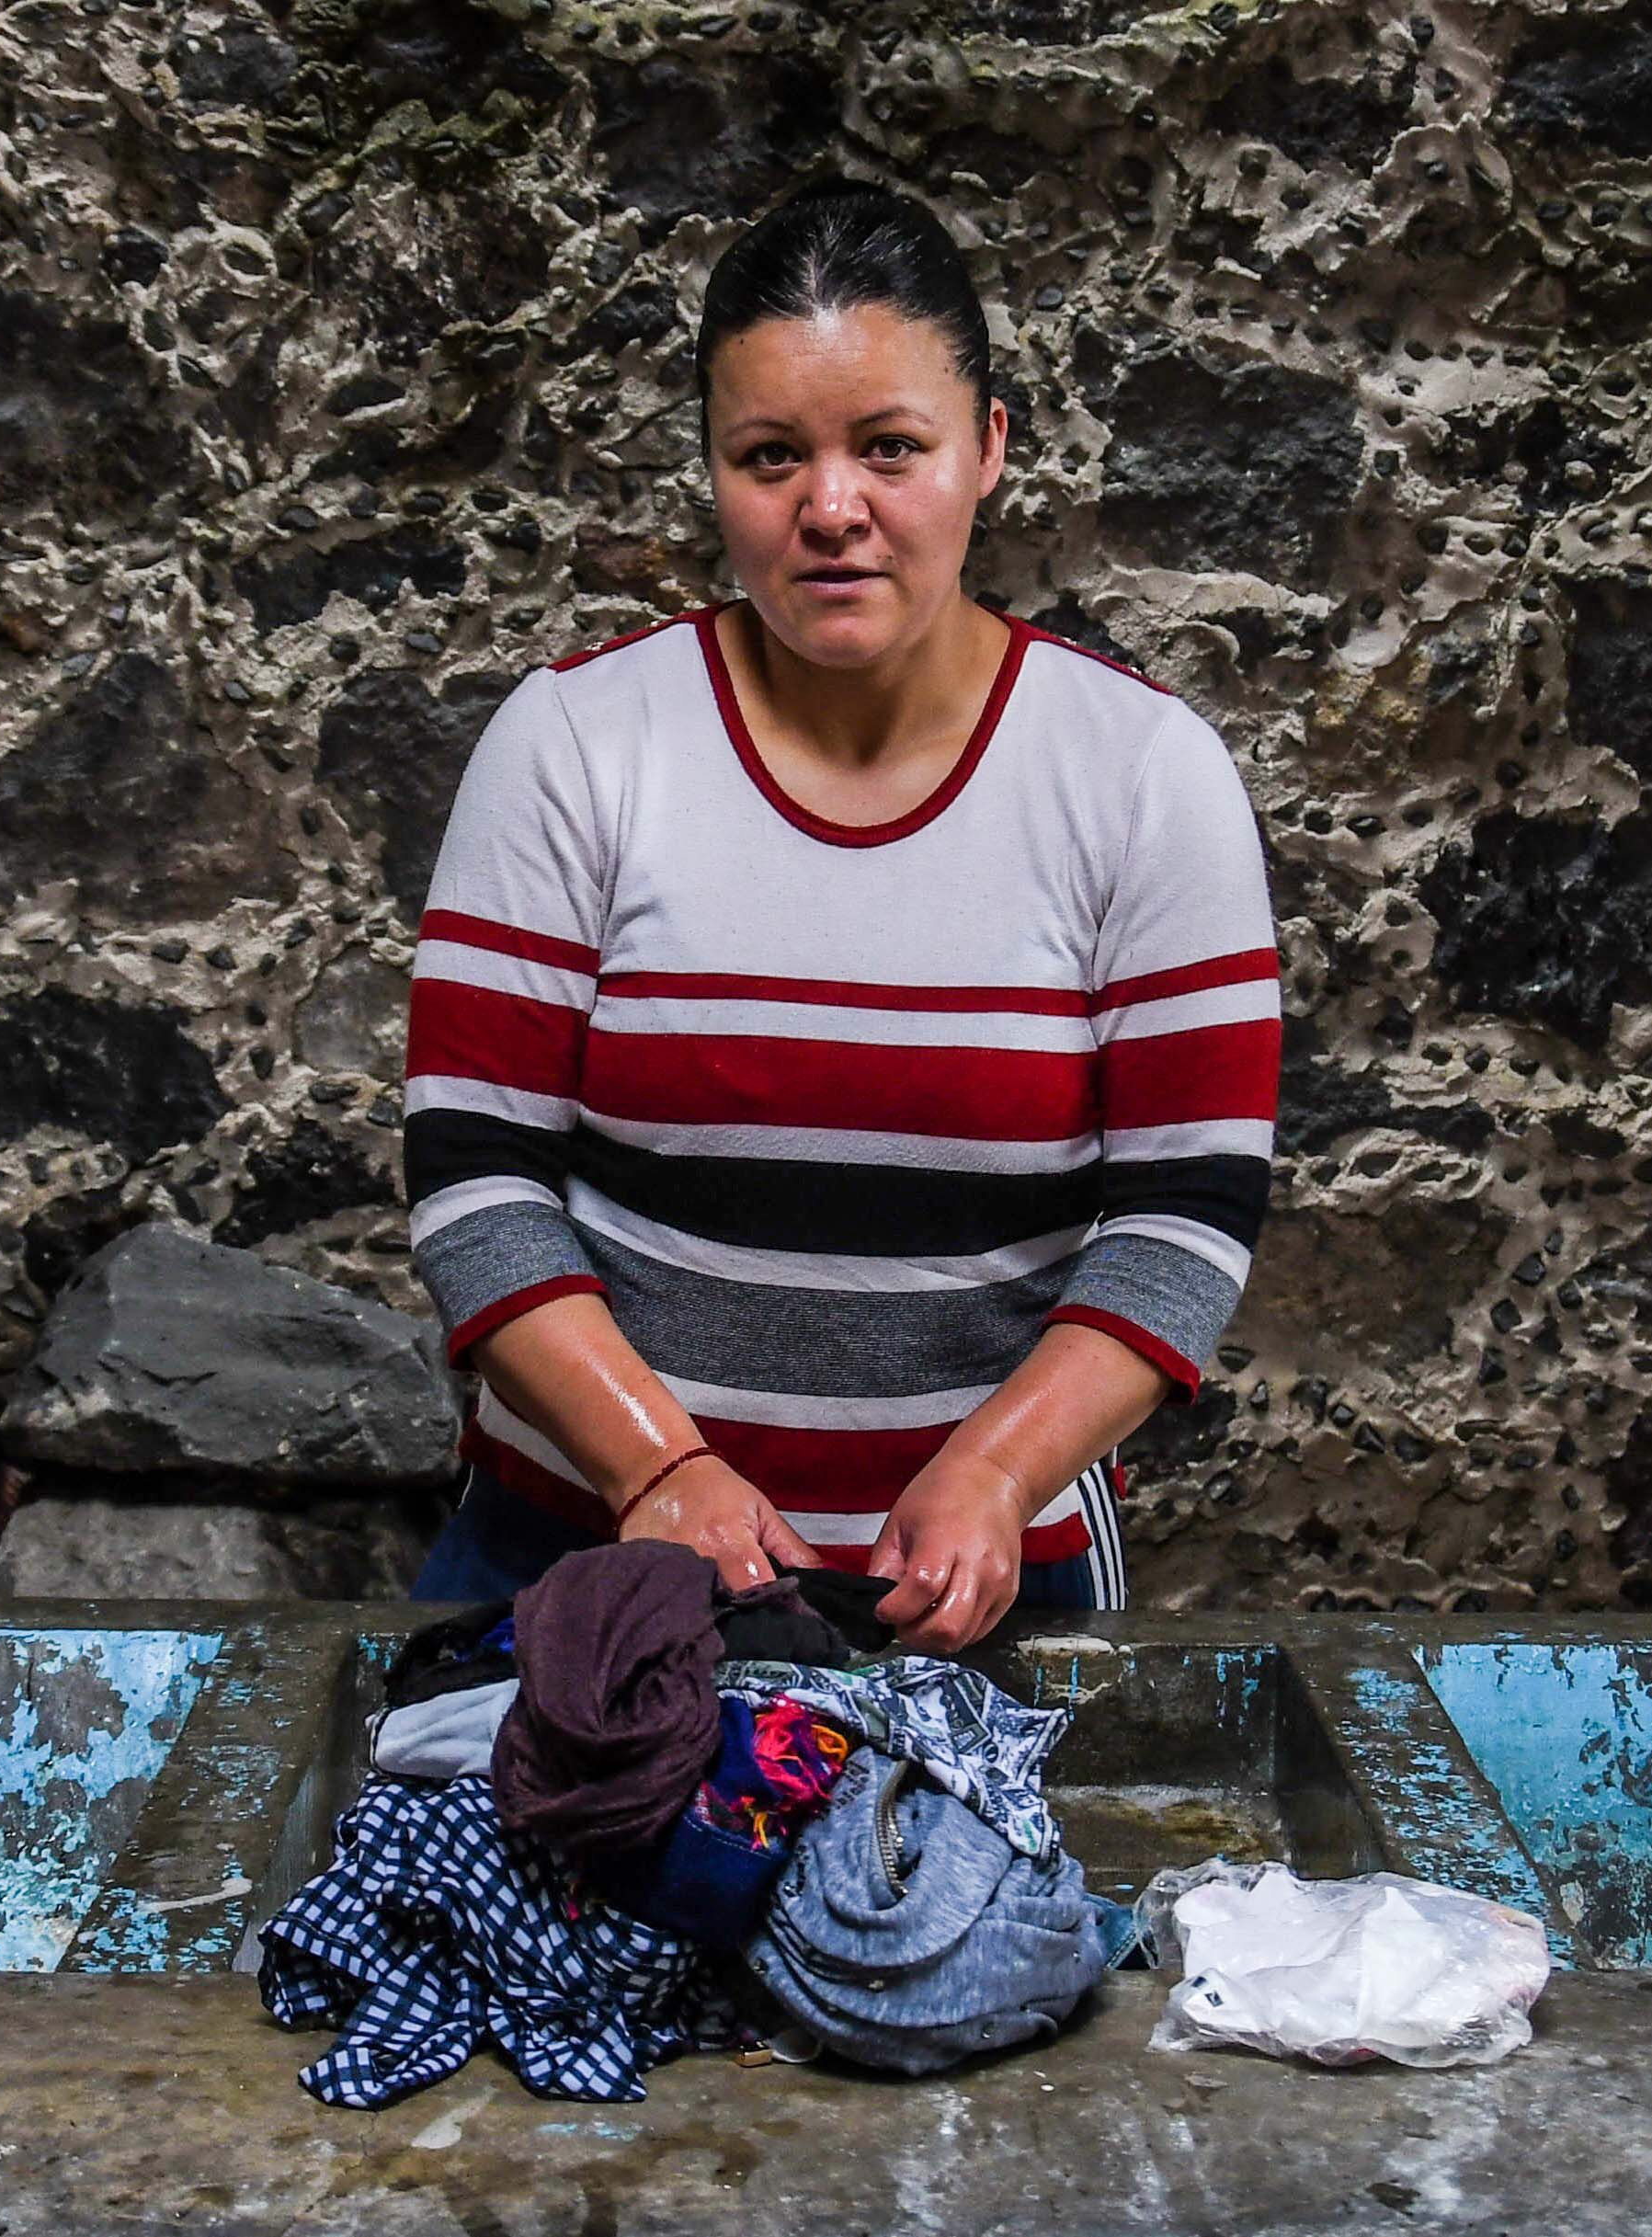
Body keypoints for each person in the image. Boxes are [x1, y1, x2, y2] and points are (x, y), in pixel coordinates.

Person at [397, 177, 1279, 1652]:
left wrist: (999, 1470)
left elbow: (1185, 1215)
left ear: (989, 448)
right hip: (577, 1565)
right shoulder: (576, 746)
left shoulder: (1140, 775)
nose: (830, 508)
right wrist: (657, 1470)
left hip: (984, 1599)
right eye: (769, 456)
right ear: (712, 469)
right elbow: (475, 1179)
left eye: (890, 447)